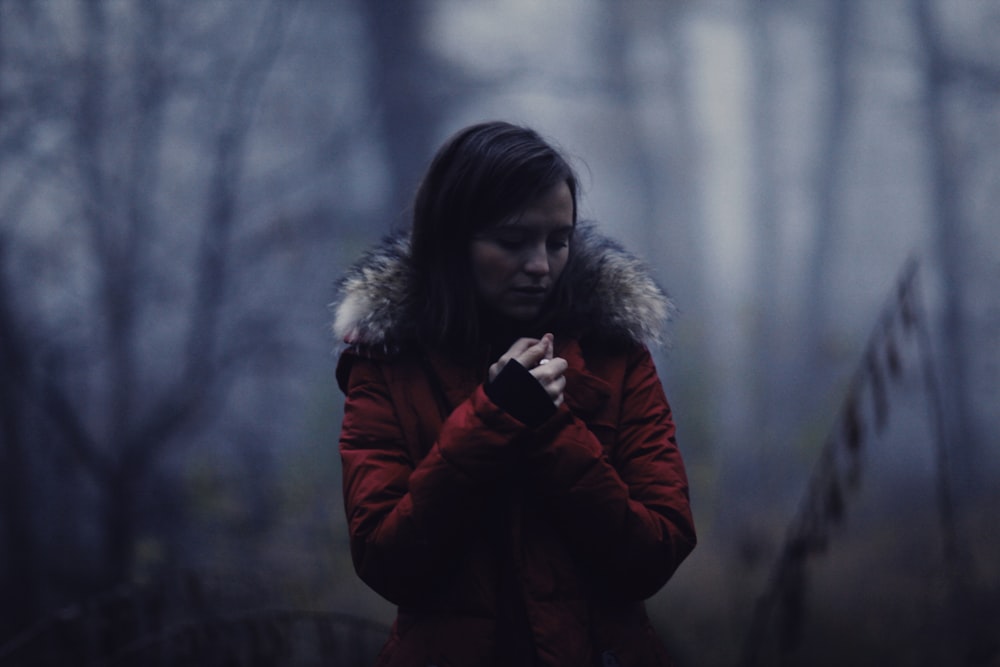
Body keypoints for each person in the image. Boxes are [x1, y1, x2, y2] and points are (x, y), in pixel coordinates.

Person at [332, 121, 696, 667]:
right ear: (453, 241)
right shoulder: (388, 364)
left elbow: (656, 550)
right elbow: (388, 558)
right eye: (512, 241)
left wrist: (549, 426)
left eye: (558, 241)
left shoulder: (615, 355)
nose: (540, 266)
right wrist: (492, 418)